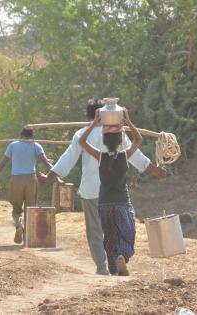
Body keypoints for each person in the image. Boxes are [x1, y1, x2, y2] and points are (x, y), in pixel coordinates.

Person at [38, 99, 166, 275]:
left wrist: (48, 178)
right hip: (117, 194)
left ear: (87, 116)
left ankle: (101, 267)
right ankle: (118, 259)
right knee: (116, 228)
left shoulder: (82, 134)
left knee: (95, 231)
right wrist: (155, 170)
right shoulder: (119, 134)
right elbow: (136, 154)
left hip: (92, 192)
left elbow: (67, 160)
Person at [78, 107, 140, 276]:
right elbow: (138, 139)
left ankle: (113, 267)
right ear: (121, 140)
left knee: (110, 234)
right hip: (122, 202)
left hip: (104, 202)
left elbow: (82, 142)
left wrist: (94, 123)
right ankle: (122, 256)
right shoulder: (124, 156)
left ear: (103, 140)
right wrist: (128, 121)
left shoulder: (100, 156)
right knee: (126, 232)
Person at [0, 128, 52, 244]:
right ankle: (28, 237)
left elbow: (3, 162)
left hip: (16, 180)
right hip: (31, 179)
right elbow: (46, 162)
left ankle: (18, 225)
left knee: (16, 209)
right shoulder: (36, 146)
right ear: (32, 136)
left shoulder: (13, 145)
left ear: (21, 135)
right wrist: (55, 174)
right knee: (30, 209)